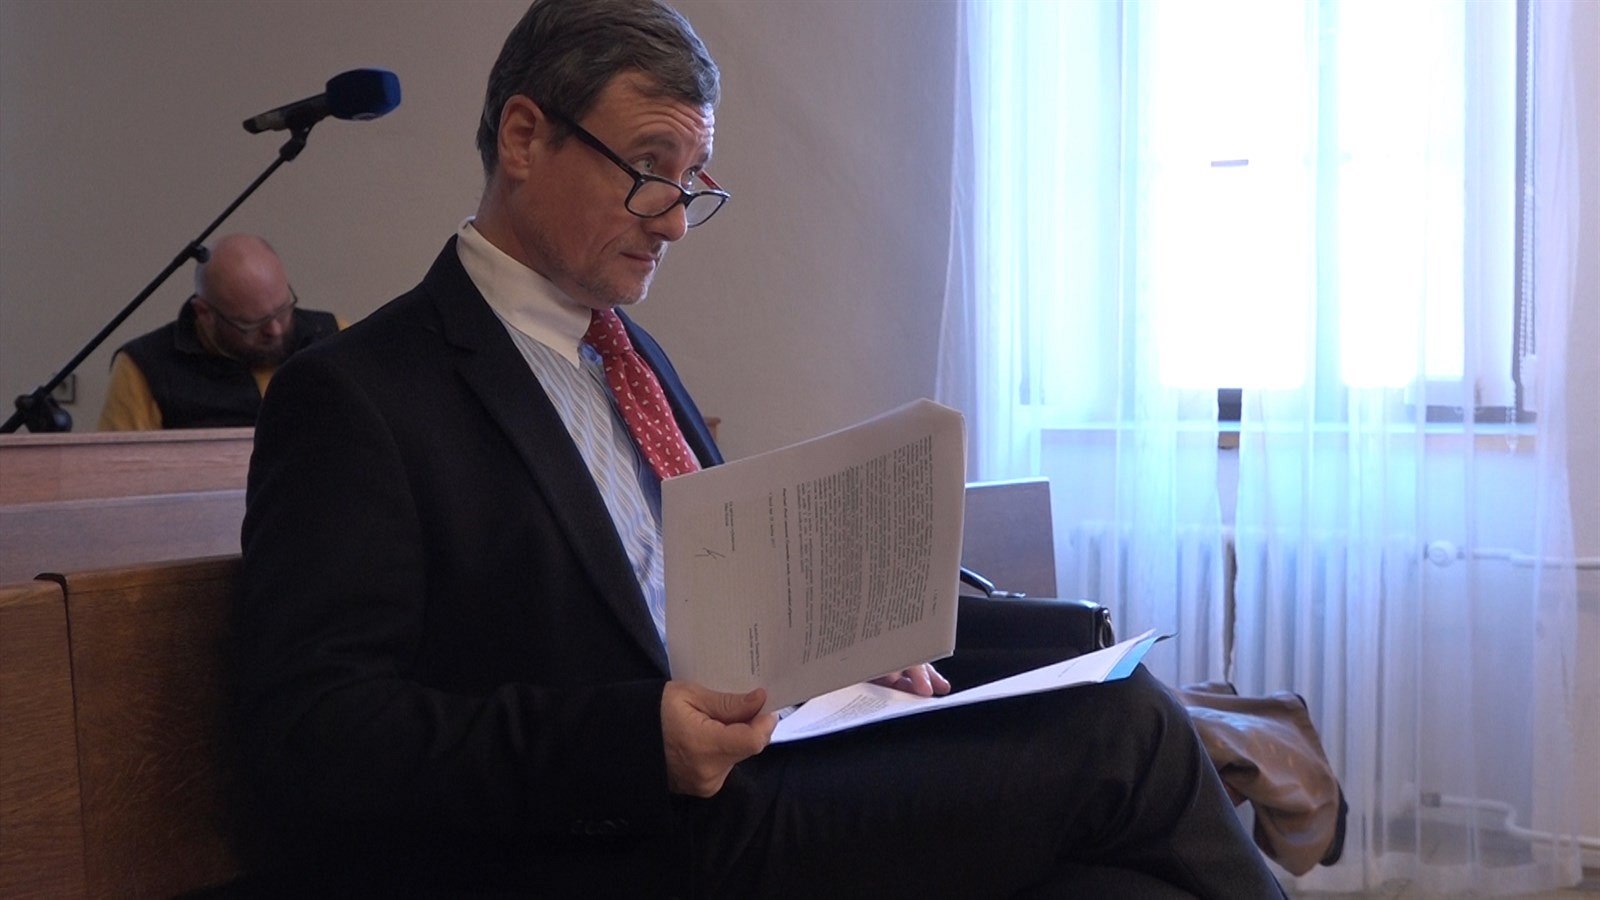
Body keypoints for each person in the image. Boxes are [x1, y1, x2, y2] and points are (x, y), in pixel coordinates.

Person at [234, 1, 1288, 897]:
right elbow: (313, 735)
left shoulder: (624, 353)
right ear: (523, 137)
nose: (674, 222)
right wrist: (632, 742)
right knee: (1125, 729)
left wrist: (836, 661)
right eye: (650, 169)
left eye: (693, 180)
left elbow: (698, 612)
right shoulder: (361, 393)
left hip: (770, 771)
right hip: (625, 836)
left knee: (1117, 878)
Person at [97, 233, 340, 430]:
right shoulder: (146, 368)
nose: (275, 330)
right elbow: (116, 468)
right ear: (204, 313)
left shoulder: (334, 336)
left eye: (283, 310)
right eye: (253, 323)